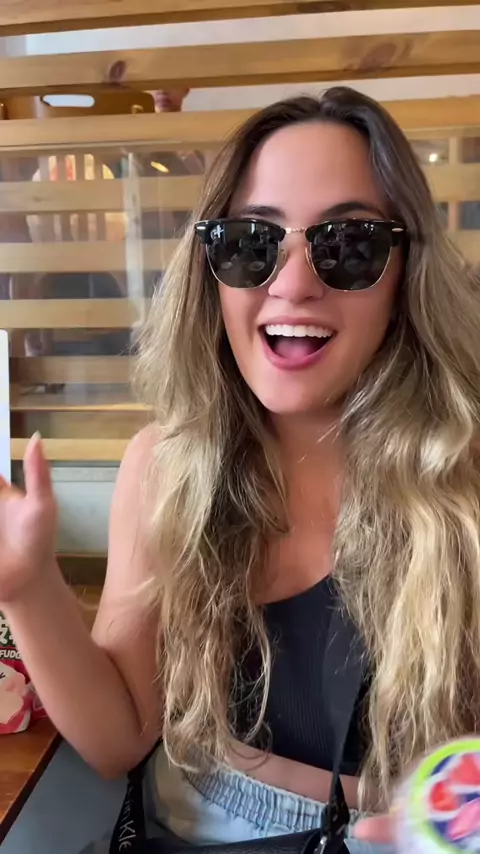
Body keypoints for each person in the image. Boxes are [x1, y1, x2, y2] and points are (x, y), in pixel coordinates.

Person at [1, 86, 480, 854]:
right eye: (252, 242)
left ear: (404, 274)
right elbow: (119, 738)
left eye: (349, 244)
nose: (293, 283)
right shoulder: (166, 467)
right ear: (212, 270)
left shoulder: (461, 475)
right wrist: (26, 587)